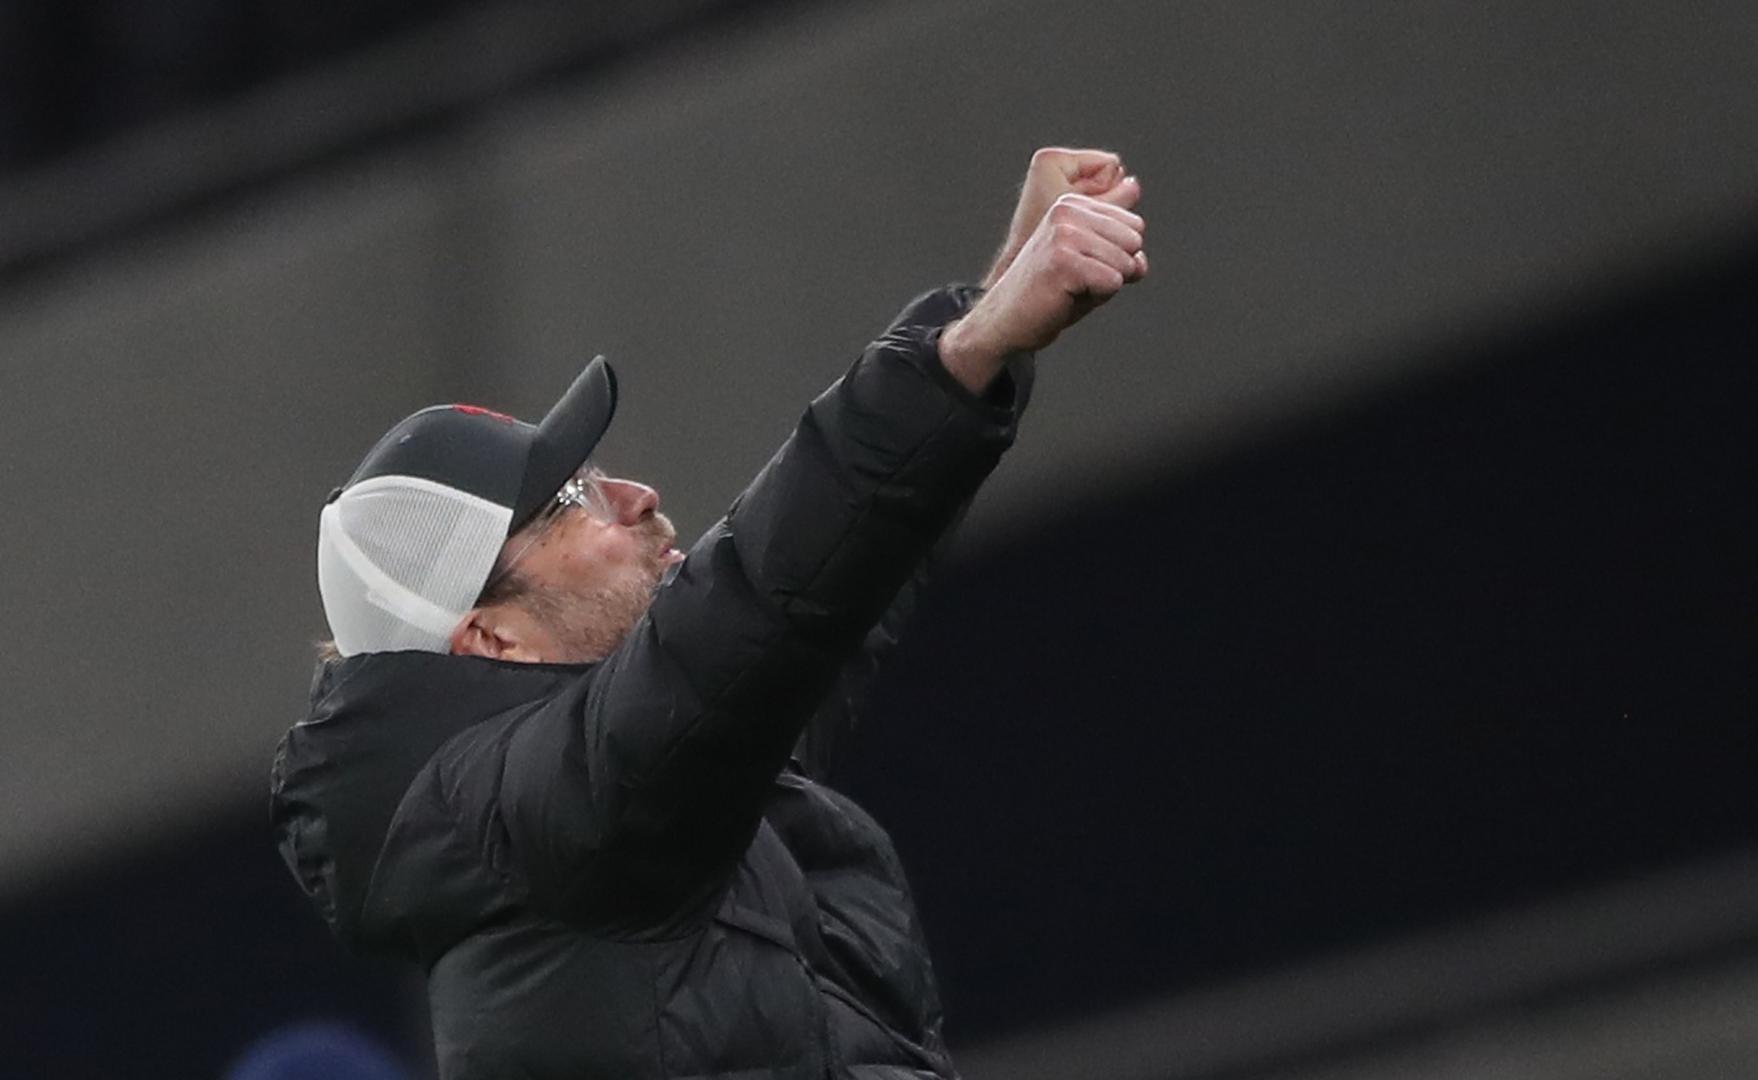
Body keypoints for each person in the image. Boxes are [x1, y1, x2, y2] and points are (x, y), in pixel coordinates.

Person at [272, 147, 1148, 1080]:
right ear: (489, 636)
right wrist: (963, 353)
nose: (639, 497)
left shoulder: (595, 796)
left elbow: (824, 597)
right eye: (573, 502)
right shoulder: (538, 817)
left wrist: (991, 323)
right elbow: (757, 607)